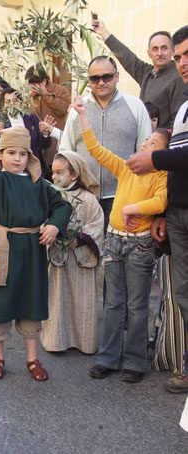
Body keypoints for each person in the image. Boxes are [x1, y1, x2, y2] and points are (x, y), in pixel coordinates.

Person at [72, 96, 169, 383]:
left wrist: (131, 208)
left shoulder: (161, 175)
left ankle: (135, 361)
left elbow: (162, 200)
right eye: (146, 141)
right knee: (113, 302)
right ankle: (108, 357)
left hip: (139, 245)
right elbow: (96, 150)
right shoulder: (127, 167)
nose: (145, 145)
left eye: (153, 144)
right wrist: (82, 116)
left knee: (137, 306)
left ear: (162, 155)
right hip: (114, 241)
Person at [0, 124, 71, 381]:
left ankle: (32, 358)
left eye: (23, 153)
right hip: (2, 248)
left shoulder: (40, 184)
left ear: (31, 157)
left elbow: (62, 206)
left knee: (30, 301)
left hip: (30, 249)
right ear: (1, 155)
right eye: (12, 152)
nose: (17, 158)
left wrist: (53, 225)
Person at [127, 25, 188, 393]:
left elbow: (174, 158)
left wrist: (155, 159)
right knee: (184, 295)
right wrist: (164, 213)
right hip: (179, 216)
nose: (182, 63)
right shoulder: (182, 110)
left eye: (185, 55)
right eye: (179, 57)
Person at [60, 55, 151, 232]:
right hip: (84, 196)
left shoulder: (135, 106)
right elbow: (66, 151)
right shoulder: (78, 110)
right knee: (84, 255)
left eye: (106, 77)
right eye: (95, 78)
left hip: (123, 198)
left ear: (116, 76)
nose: (101, 82)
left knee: (117, 256)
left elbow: (145, 154)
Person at [40, 151, 104, 353]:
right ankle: (56, 341)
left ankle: (84, 341)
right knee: (58, 299)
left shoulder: (89, 200)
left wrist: (79, 237)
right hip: (58, 258)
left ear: (75, 174)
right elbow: (41, 218)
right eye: (53, 172)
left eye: (60, 172)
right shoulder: (51, 195)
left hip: (81, 258)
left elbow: (96, 224)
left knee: (82, 300)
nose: (55, 177)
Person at [93, 21, 186, 129]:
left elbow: (179, 119)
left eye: (164, 48)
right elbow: (127, 57)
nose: (160, 53)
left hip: (163, 143)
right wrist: (104, 33)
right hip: (146, 141)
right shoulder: (147, 73)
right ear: (149, 53)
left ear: (172, 51)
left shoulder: (179, 76)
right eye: (155, 49)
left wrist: (165, 140)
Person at [25, 63, 71, 169]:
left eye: (33, 84)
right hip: (37, 142)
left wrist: (46, 95)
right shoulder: (31, 95)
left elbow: (63, 109)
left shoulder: (60, 90)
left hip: (55, 140)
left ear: (44, 82)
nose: (30, 87)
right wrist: (27, 99)